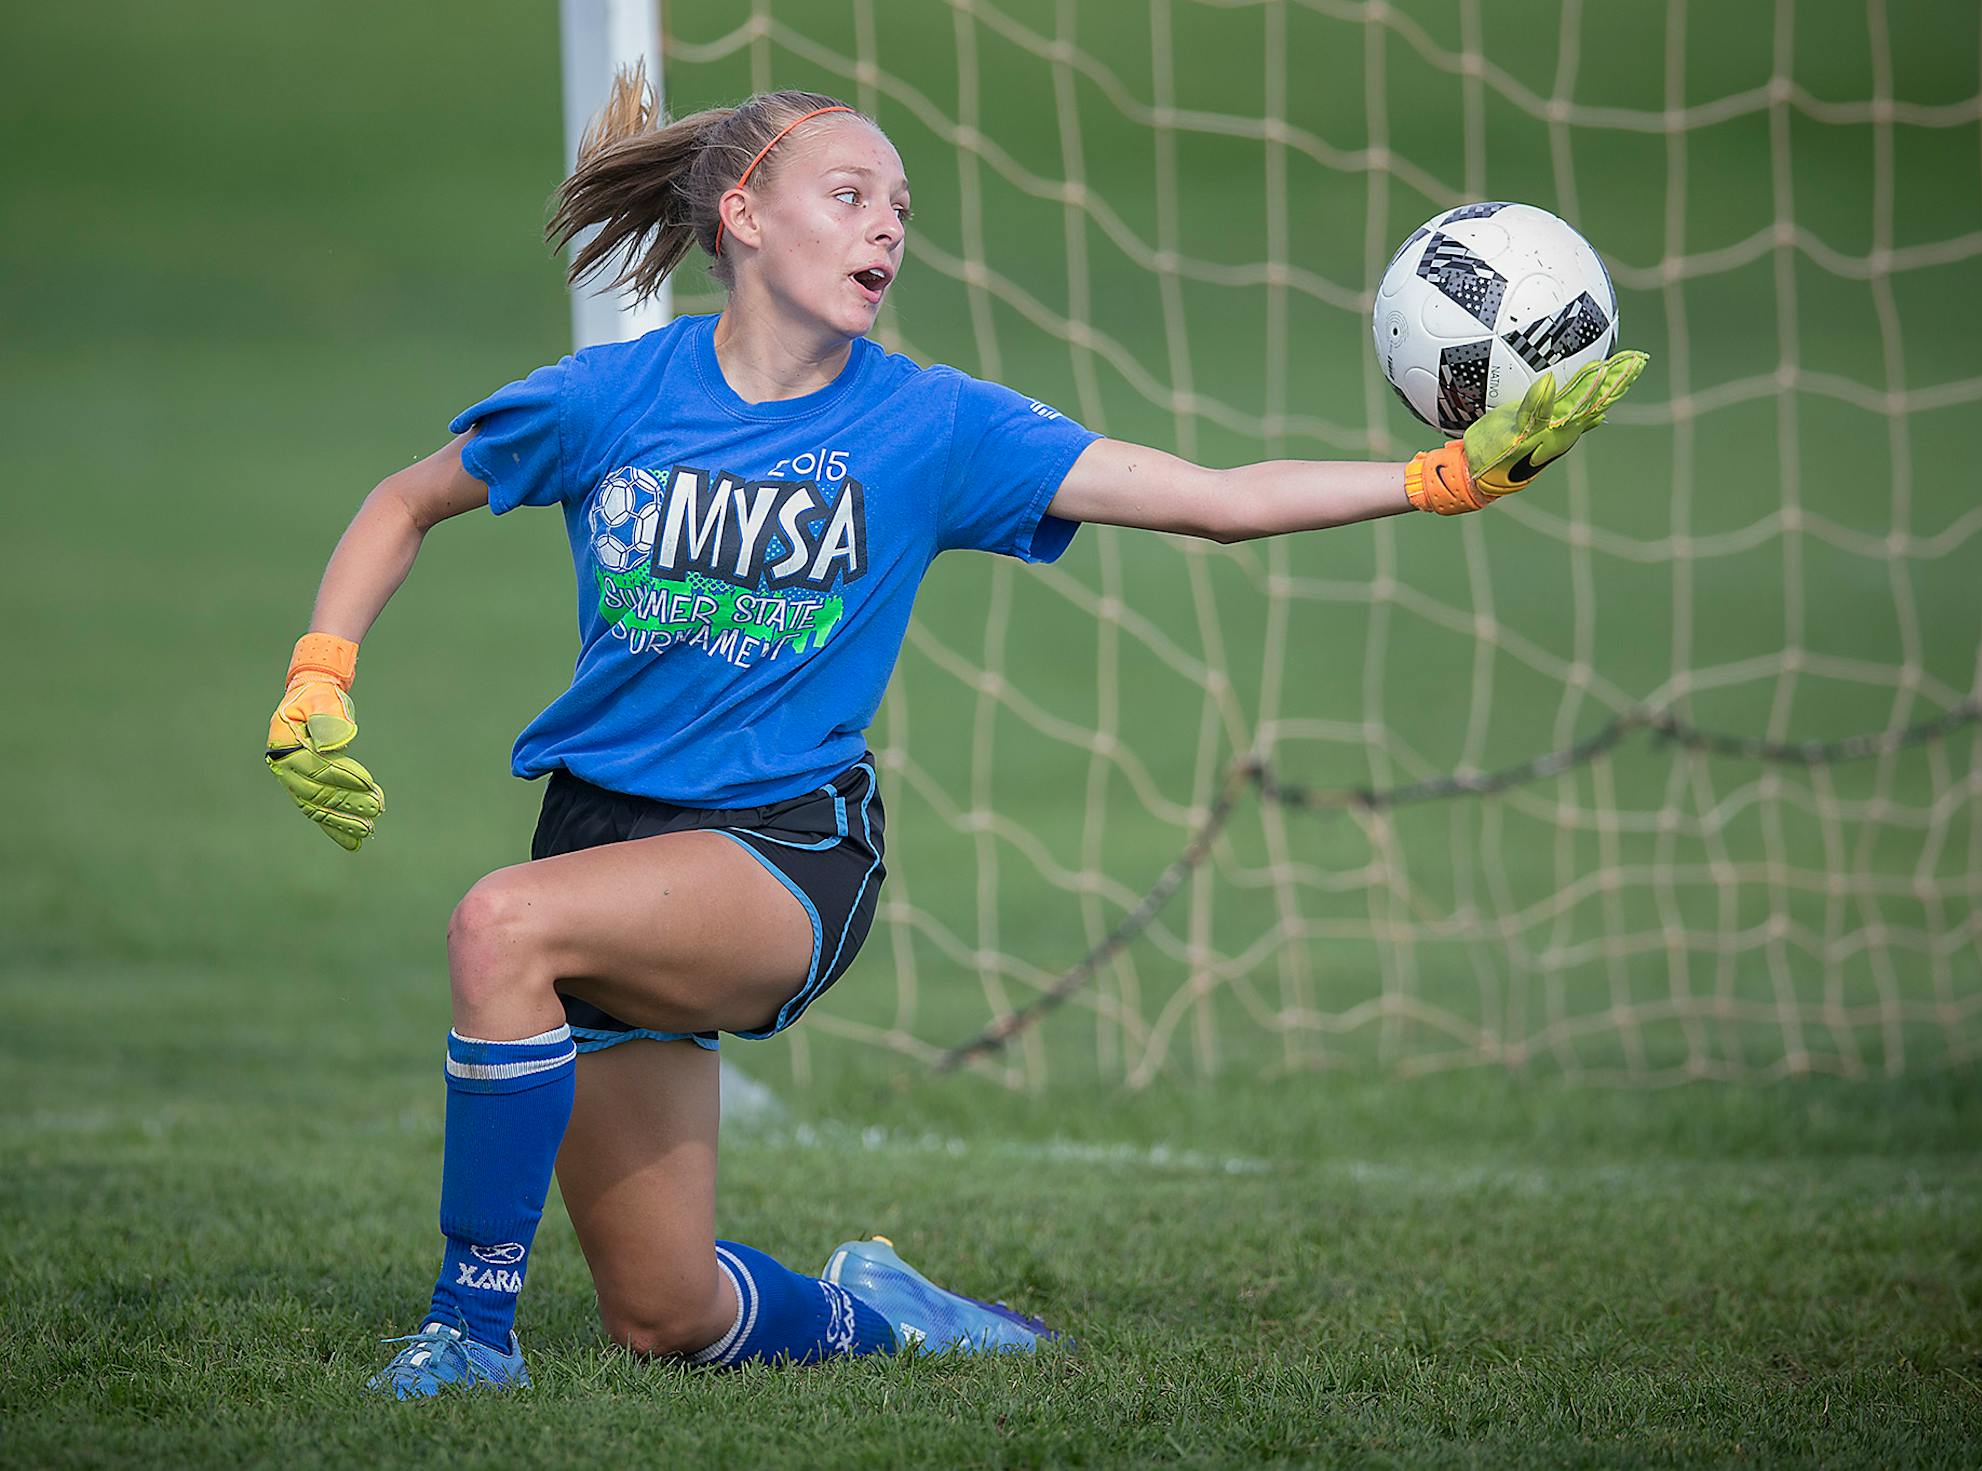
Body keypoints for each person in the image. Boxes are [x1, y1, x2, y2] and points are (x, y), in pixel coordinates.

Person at [264, 71, 1646, 1399]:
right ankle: (897, 1320)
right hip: (604, 842)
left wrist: (1436, 477)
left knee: (500, 927)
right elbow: (403, 500)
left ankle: (465, 1343)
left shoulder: (931, 425)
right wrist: (320, 675)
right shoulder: (613, 396)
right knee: (665, 1314)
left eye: (903, 209)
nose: (887, 227)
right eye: (853, 192)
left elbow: (1216, 496)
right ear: (742, 212)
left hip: (783, 853)